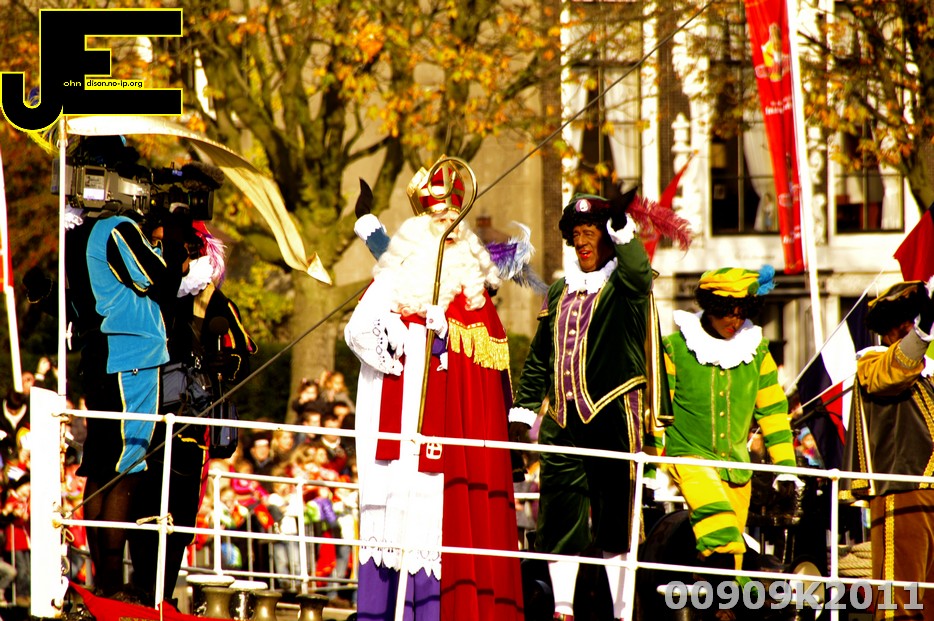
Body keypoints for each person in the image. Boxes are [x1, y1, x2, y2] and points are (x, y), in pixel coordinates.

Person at [344, 159, 524, 620]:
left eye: (452, 218)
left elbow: (486, 364)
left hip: (445, 430)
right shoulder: (395, 277)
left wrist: (446, 332)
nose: (448, 227)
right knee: (395, 517)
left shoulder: (472, 291)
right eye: (437, 218)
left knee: (429, 521)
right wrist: (399, 338)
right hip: (396, 423)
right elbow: (359, 330)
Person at [508, 187, 655, 619]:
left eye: (590, 232)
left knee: (615, 523)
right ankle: (563, 609)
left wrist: (622, 228)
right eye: (576, 235)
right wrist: (521, 415)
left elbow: (639, 273)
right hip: (561, 422)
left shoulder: (624, 285)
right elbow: (540, 358)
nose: (582, 241)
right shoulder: (559, 292)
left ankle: (623, 613)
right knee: (559, 520)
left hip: (613, 416)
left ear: (606, 237)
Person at [64, 146, 190, 599]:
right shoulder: (116, 228)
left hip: (101, 358)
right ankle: (112, 585)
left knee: (101, 468)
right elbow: (163, 281)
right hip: (129, 357)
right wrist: (174, 232)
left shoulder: (78, 232)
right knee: (127, 466)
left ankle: (104, 582)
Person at [661, 266, 796, 597]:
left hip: (737, 468)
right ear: (711, 307)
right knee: (719, 529)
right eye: (727, 312)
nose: (734, 321)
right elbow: (657, 413)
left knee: (731, 555)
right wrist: (649, 466)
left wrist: (786, 467)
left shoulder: (757, 352)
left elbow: (773, 412)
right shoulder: (675, 348)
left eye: (741, 313)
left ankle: (722, 604)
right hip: (689, 457)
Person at [841, 278, 934, 619]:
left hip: (930, 489)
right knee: (901, 591)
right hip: (902, 488)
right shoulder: (873, 363)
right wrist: (923, 332)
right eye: (902, 321)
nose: (909, 326)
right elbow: (894, 373)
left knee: (929, 596)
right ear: (887, 329)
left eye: (914, 319)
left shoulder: (925, 372)